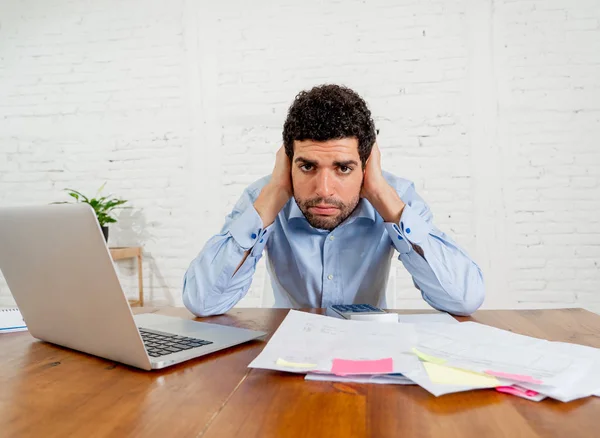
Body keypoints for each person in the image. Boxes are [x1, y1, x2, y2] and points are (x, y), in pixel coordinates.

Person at [183, 84, 484, 317]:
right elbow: (202, 302)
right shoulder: (262, 198)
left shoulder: (394, 197)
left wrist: (382, 197)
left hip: (369, 353)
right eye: (307, 166)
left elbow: (464, 298)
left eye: (343, 168)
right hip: (288, 354)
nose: (324, 189)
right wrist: (271, 200)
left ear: (366, 165)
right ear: (288, 162)